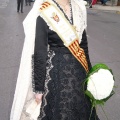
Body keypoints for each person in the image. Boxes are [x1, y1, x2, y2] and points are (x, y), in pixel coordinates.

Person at [10, 0, 100, 120]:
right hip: (55, 78)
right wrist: (39, 89)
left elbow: (83, 47)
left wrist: (90, 76)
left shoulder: (78, 9)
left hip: (79, 78)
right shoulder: (45, 11)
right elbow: (40, 53)